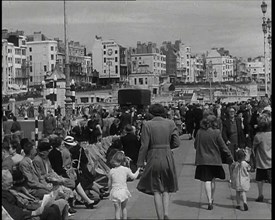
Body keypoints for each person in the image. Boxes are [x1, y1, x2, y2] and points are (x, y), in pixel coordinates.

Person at [137, 103, 180, 220]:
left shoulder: (147, 124)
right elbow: (177, 142)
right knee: (166, 188)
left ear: (151, 112)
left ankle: (160, 217)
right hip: (167, 155)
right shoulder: (171, 123)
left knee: (156, 189)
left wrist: (140, 162)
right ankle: (166, 213)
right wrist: (167, 146)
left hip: (153, 156)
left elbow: (144, 145)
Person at [194, 115, 233, 210]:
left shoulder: (199, 132)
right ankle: (212, 197)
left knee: (206, 181)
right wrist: (230, 155)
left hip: (203, 160)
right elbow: (223, 146)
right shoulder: (216, 132)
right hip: (215, 159)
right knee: (213, 180)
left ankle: (209, 201)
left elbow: (195, 145)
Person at [108, 151, 141, 220]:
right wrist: (138, 170)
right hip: (123, 192)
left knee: (117, 210)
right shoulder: (126, 169)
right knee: (124, 208)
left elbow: (109, 183)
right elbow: (134, 177)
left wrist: (109, 190)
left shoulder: (111, 171)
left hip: (115, 192)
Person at [252, 113, 272, 202]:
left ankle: (260, 195)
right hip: (271, 162)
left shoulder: (258, 136)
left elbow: (254, 148)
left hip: (261, 162)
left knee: (260, 180)